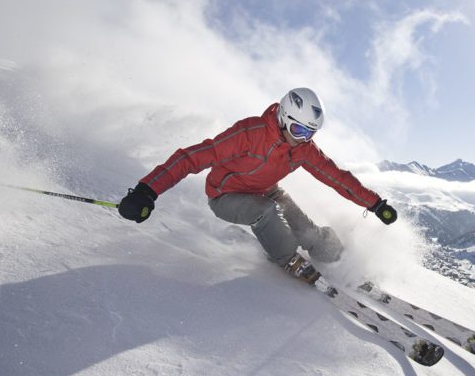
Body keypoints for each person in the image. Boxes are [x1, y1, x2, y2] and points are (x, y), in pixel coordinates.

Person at [118, 87, 397, 284]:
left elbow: (336, 176)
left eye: (310, 133)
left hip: (267, 191)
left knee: (308, 232)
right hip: (225, 196)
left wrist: (374, 203)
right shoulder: (249, 133)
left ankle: (337, 258)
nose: (303, 139)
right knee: (267, 212)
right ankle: (288, 259)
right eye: (299, 130)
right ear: (285, 119)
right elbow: (192, 157)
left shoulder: (304, 149)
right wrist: (147, 190)